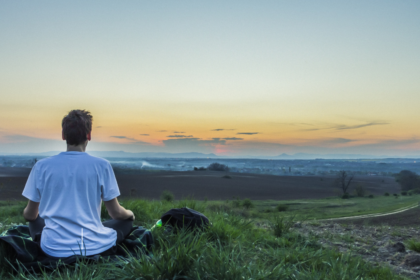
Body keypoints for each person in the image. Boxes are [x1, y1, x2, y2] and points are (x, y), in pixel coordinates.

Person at [22, 109, 135, 258]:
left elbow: (30, 215)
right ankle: (95, 233)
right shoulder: (102, 165)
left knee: (35, 220)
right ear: (88, 135)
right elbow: (116, 213)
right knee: (125, 222)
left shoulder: (41, 166)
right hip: (93, 247)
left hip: (53, 249)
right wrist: (130, 214)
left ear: (63, 136)